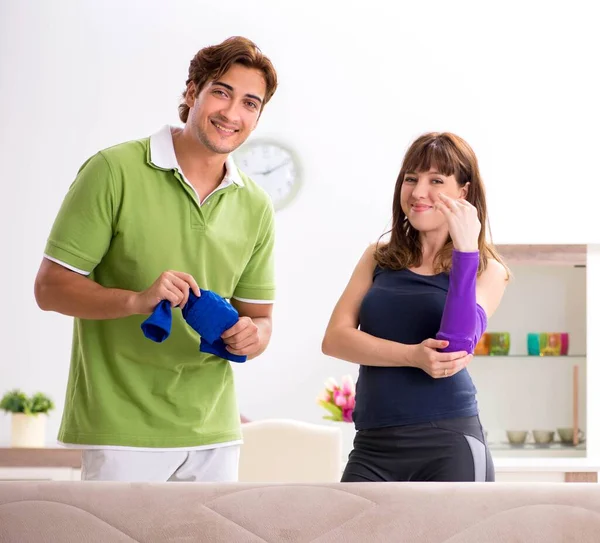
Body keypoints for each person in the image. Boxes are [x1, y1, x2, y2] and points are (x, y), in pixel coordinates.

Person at [34, 36, 278, 482]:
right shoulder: (114, 170)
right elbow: (49, 289)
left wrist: (252, 337)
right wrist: (137, 300)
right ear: (192, 92)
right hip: (122, 429)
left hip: (215, 433)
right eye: (221, 92)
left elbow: (260, 319)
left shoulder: (255, 204)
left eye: (250, 102)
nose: (232, 113)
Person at [322, 132, 509, 482]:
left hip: (448, 441)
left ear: (463, 193)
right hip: (372, 443)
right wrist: (411, 355)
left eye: (436, 180)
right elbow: (334, 339)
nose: (419, 192)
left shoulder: (488, 270)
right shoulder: (377, 257)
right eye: (411, 179)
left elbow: (454, 348)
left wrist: (466, 251)